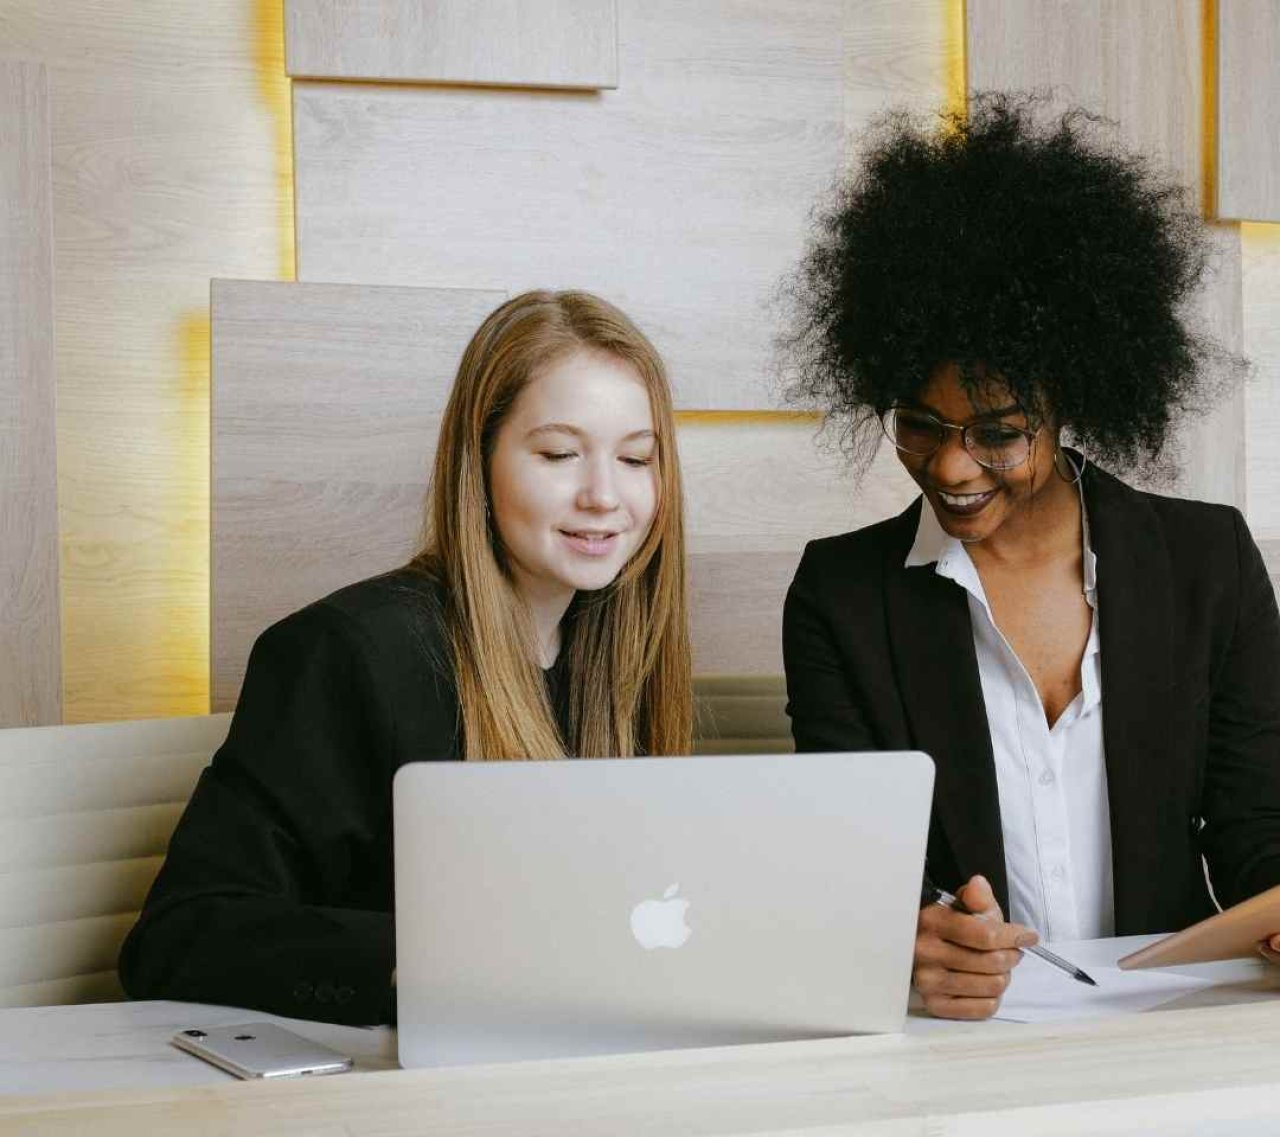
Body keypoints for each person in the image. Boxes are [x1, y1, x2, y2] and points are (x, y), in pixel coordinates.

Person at [781, 95, 1280, 1019]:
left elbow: (1257, 823)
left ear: (1073, 399)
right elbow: (847, 866)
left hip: (1171, 1027)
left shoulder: (1208, 561)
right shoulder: (839, 597)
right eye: (919, 427)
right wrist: (909, 942)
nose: (952, 466)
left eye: (999, 433)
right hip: (964, 1039)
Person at [119, 290, 692, 1026]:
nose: (605, 496)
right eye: (558, 454)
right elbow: (177, 939)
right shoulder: (345, 652)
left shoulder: (622, 648)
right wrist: (447, 961)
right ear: (478, 462)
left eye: (637, 458)